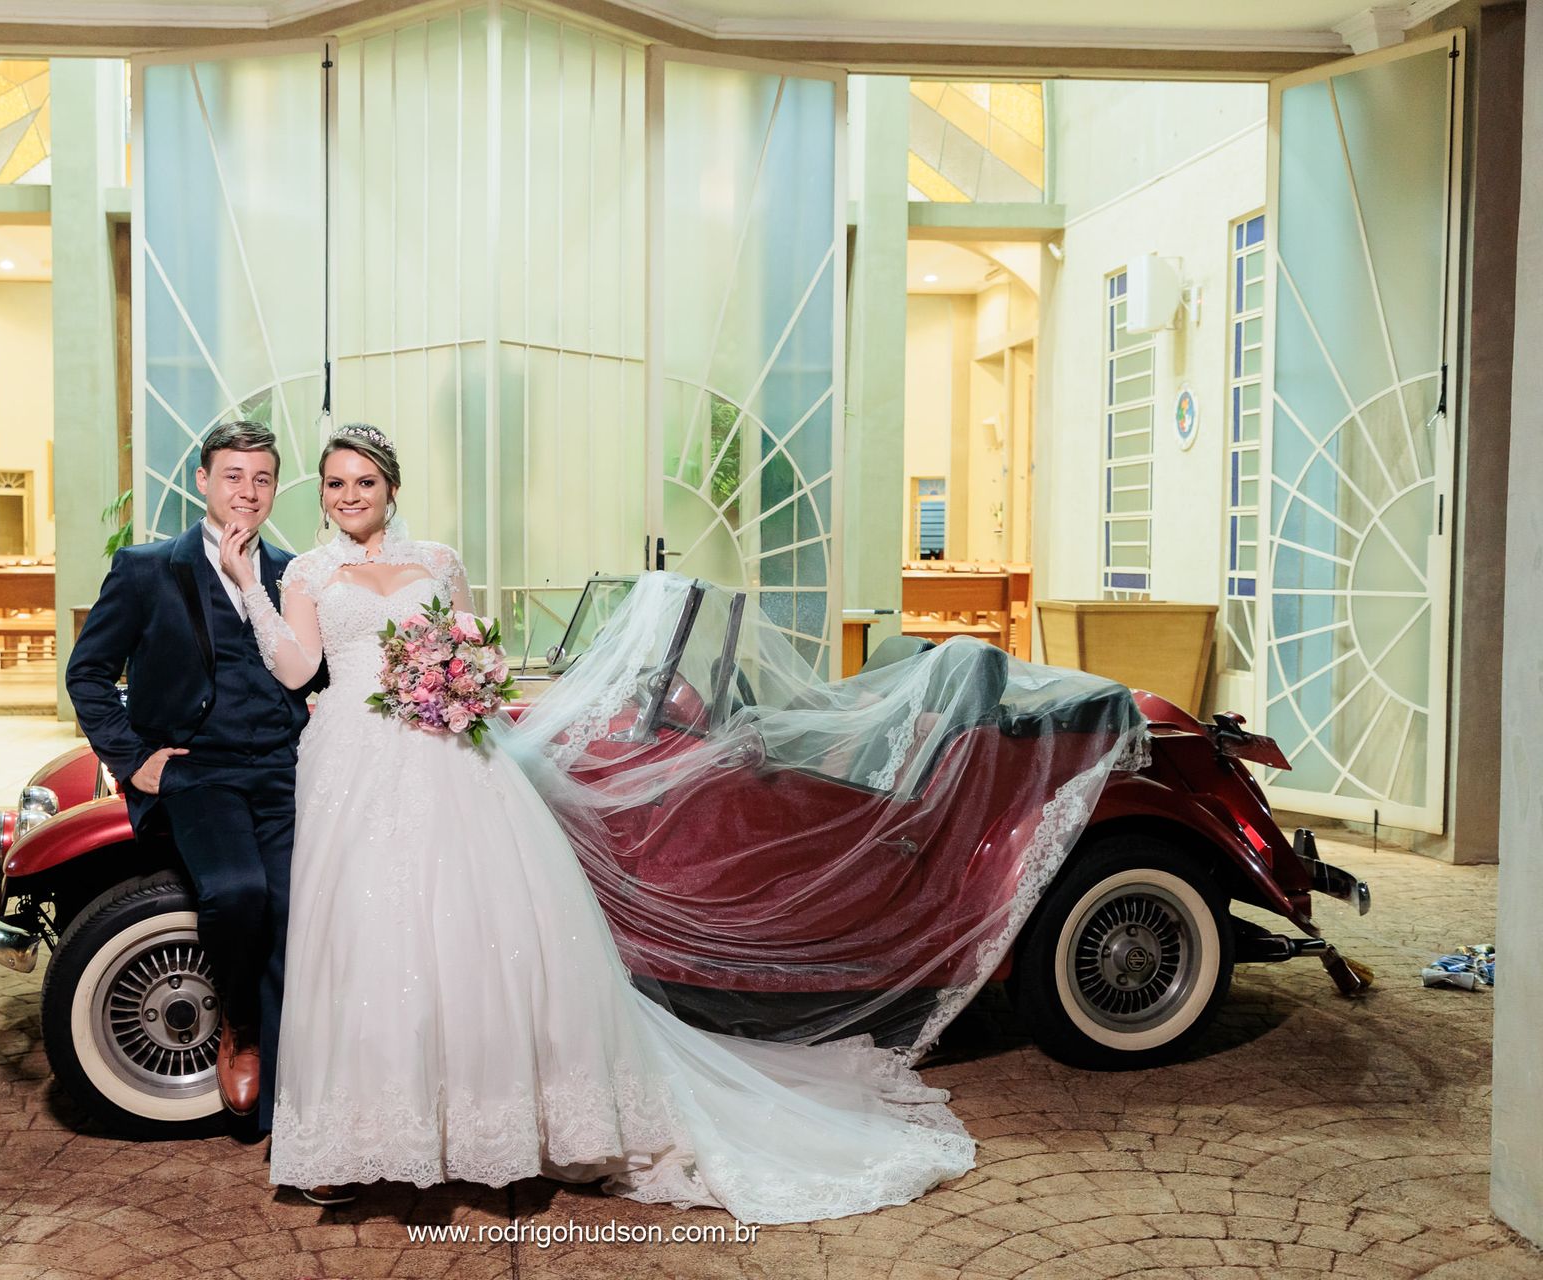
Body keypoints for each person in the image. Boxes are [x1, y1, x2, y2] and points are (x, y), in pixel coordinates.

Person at [218, 424, 980, 1223]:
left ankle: (496, 1123)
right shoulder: (305, 572)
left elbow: (474, 651)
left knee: (474, 931)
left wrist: (460, 683)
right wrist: (246, 580)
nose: (349, 498)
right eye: (335, 485)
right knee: (369, 937)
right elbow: (300, 669)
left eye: (364, 483)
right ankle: (370, 1137)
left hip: (447, 753)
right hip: (354, 761)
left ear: (391, 488)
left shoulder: (440, 562)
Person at [66, 420, 320, 1125]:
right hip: (194, 773)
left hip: (282, 768)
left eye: (262, 478)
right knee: (238, 892)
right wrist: (133, 758)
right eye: (233, 476)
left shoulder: (294, 573)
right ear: (202, 481)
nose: (248, 490)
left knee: (297, 908)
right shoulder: (147, 569)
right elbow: (87, 673)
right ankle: (238, 1026)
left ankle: (287, 1101)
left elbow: (313, 673)